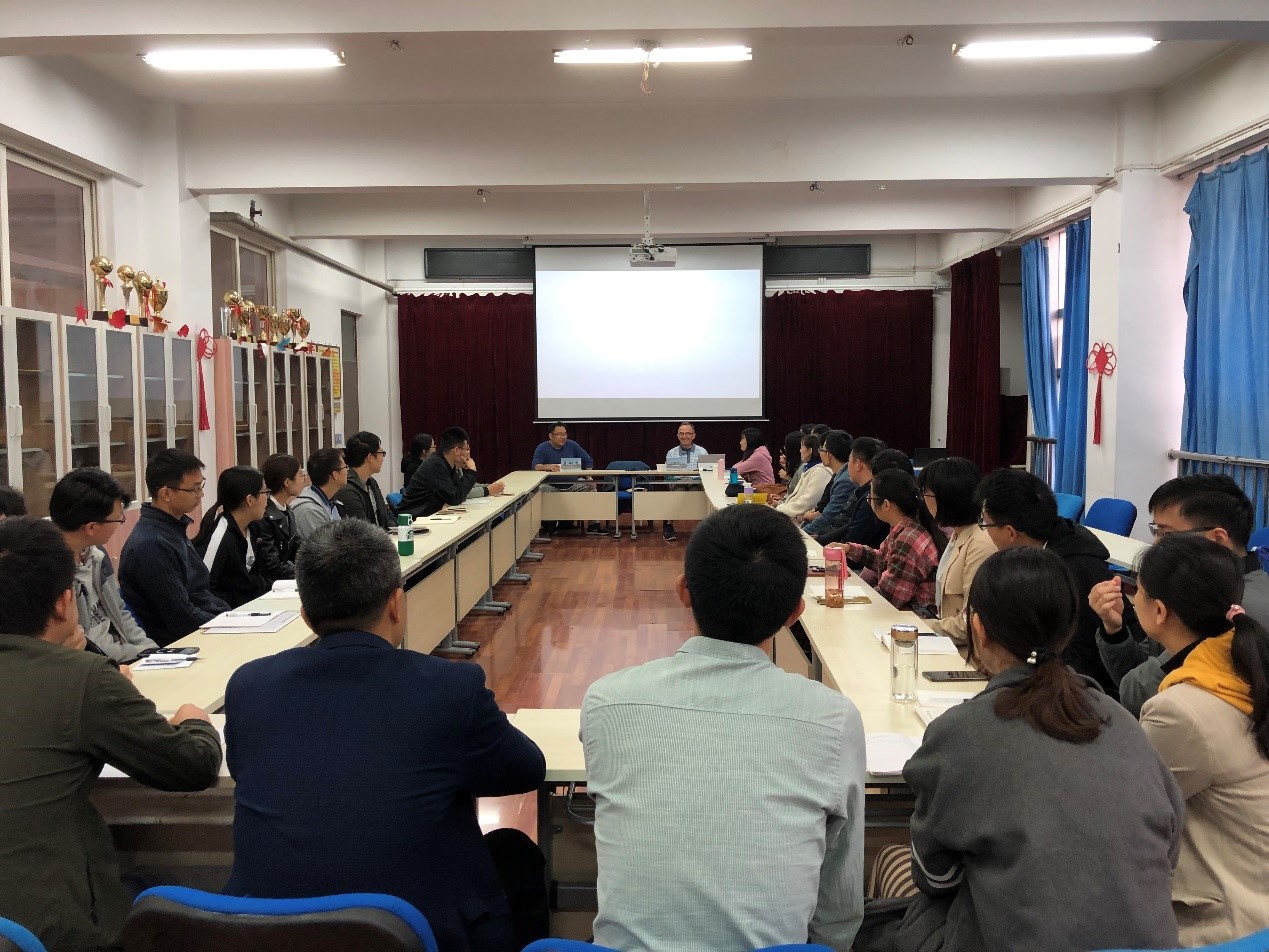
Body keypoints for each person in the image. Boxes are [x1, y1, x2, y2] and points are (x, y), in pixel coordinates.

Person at [224, 519, 547, 952]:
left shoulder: (249, 686)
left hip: (265, 935)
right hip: (413, 937)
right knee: (513, 852)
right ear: (397, 604)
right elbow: (527, 769)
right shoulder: (448, 689)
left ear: (306, 616)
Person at [856, 547, 1183, 952]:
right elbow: (1168, 848)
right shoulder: (1124, 723)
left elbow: (934, 876)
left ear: (978, 628)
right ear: (1068, 629)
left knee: (886, 890)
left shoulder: (960, 731)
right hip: (1149, 942)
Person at [582, 505, 866, 952]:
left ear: (683, 590)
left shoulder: (606, 701)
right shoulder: (835, 720)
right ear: (795, 613)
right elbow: (839, 910)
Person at [0, 516, 222, 952]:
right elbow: (190, 766)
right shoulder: (82, 679)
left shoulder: (76, 675)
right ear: (64, 602)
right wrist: (195, 721)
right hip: (48, 929)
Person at [1132, 534, 1269, 945]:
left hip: (1224, 923)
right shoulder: (1242, 666)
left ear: (1159, 611)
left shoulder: (1182, 711)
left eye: (1138, 590)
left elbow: (1125, 812)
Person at [1092, 474, 1269, 715]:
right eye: (1155, 531)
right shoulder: (1194, 585)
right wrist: (1115, 631)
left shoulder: (1230, 610)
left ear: (1217, 539)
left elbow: (1136, 693)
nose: (1156, 545)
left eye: (1166, 535)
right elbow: (1141, 670)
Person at [974, 468, 1116, 695]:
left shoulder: (1069, 570)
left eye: (986, 525)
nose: (985, 533)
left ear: (1010, 532)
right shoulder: (1050, 545)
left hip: (1079, 691)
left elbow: (1075, 654)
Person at [120, 449, 231, 646]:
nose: (201, 494)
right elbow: (181, 618)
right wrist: (228, 626)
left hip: (206, 627)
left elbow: (200, 594)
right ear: (166, 493)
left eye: (201, 486)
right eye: (194, 489)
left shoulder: (172, 529)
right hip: (181, 644)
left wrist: (231, 617)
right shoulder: (152, 544)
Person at [49, 467, 159, 662]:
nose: (120, 523)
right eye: (118, 519)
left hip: (127, 657)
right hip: (99, 664)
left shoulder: (97, 555)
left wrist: (151, 650)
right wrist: (139, 654)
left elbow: (120, 610)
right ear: (91, 527)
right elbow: (82, 644)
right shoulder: (52, 573)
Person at [828, 469, 945, 613]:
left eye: (871, 499)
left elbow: (888, 598)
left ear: (886, 505)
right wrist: (849, 549)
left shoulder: (908, 539)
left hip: (914, 618)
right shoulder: (905, 527)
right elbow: (883, 559)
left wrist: (850, 600)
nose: (869, 503)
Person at [917, 457, 995, 644]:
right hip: (948, 640)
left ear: (945, 498)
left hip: (967, 652)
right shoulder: (958, 534)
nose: (924, 501)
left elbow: (970, 624)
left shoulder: (980, 544)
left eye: (925, 494)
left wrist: (919, 627)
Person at [194, 465, 271, 608]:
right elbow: (202, 590)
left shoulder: (253, 528)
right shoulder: (220, 537)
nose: (268, 498)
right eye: (265, 492)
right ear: (250, 499)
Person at [808, 436, 889, 555]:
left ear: (858, 464)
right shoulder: (862, 492)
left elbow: (853, 537)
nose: (847, 466)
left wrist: (820, 541)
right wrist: (819, 538)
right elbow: (848, 526)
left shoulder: (871, 499)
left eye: (849, 460)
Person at [399, 426, 481, 517]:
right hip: (413, 519)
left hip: (429, 515)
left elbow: (459, 493)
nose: (468, 453)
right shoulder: (435, 465)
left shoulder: (447, 464)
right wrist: (471, 472)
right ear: (456, 450)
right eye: (467, 449)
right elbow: (455, 498)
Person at [252, 453, 304, 582]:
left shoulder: (287, 509)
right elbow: (271, 565)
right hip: (270, 584)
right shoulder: (264, 516)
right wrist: (306, 575)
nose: (303, 478)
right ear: (287, 482)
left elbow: (298, 549)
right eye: (300, 474)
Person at [798, 429, 856, 537]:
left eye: (821, 449)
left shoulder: (844, 480)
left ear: (829, 454)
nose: (819, 453)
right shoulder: (839, 474)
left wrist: (800, 534)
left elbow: (829, 516)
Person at [335, 430, 395, 531]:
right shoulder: (347, 490)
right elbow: (363, 530)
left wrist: (397, 532)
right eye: (381, 453)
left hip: (383, 537)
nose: (382, 458)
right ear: (370, 457)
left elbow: (386, 514)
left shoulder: (371, 483)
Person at [662, 421, 708, 542]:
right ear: (677, 436)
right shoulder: (671, 453)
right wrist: (680, 478)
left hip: (696, 483)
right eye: (681, 433)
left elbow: (707, 472)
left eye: (688, 433)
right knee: (679, 491)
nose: (684, 436)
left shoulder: (702, 452)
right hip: (678, 483)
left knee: (695, 493)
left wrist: (694, 478)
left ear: (693, 435)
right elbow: (668, 475)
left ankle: (702, 528)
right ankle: (668, 525)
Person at [290, 447, 347, 540]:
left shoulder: (333, 503)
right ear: (335, 475)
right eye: (345, 467)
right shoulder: (309, 510)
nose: (347, 470)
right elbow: (324, 547)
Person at [776, 433, 831, 520]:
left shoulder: (820, 471)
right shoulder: (809, 468)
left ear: (810, 450)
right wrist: (781, 506)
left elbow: (807, 502)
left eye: (802, 447)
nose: (800, 450)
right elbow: (796, 497)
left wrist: (780, 510)